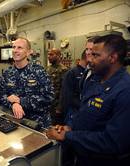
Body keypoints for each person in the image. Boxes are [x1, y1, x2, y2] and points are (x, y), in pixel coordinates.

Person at [46, 34, 130, 166]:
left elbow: (113, 142)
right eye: (89, 52)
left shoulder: (124, 90)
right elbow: (86, 113)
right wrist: (70, 128)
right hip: (83, 156)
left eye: (96, 55)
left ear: (112, 58)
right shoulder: (95, 80)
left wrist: (67, 136)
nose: (90, 59)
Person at [0, 37, 54, 129]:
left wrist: (21, 101)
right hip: (15, 122)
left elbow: (49, 98)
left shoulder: (39, 71)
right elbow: (1, 95)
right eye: (14, 47)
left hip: (38, 124)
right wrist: (13, 104)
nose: (15, 50)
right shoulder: (7, 73)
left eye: (20, 48)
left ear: (29, 52)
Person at [58, 50, 88, 166]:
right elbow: (67, 97)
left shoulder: (89, 73)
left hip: (82, 115)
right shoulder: (72, 73)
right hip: (72, 114)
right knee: (68, 146)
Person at [47, 48, 68, 124]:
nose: (49, 56)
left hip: (56, 106)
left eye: (51, 54)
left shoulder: (63, 70)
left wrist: (60, 107)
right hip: (49, 104)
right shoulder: (49, 69)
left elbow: (64, 90)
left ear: (59, 56)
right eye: (48, 54)